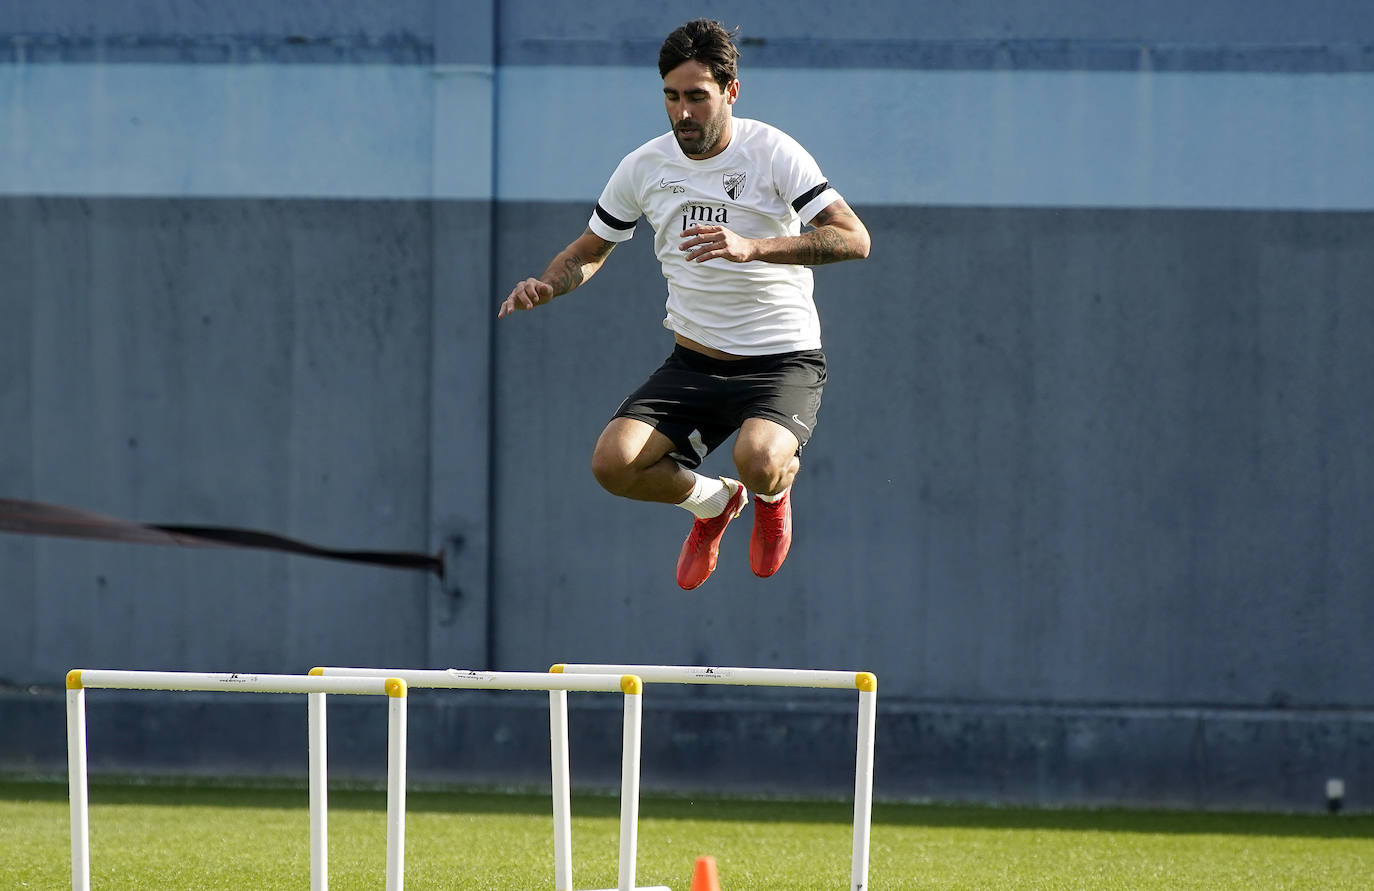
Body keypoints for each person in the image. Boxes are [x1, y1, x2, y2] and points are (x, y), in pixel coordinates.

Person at [498, 18, 870, 590]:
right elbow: (590, 249)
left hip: (780, 361)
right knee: (613, 465)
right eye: (671, 97)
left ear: (730, 91)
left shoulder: (772, 152)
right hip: (694, 362)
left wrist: (756, 247)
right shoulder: (645, 166)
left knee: (760, 457)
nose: (683, 113)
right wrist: (549, 283)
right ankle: (714, 505)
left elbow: (853, 238)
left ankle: (772, 493)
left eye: (697, 96)